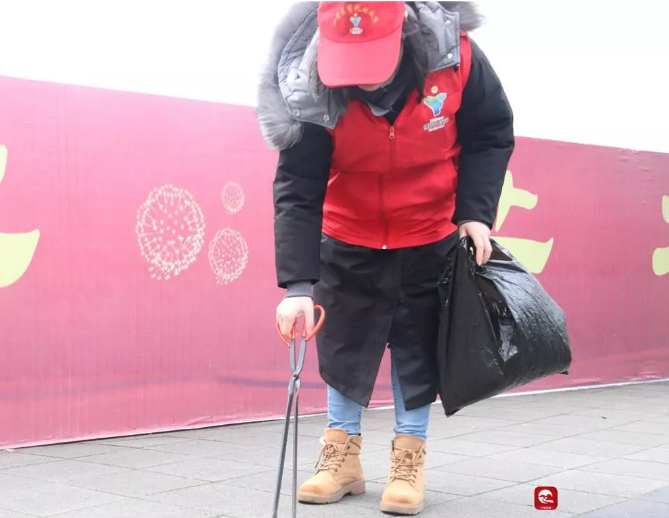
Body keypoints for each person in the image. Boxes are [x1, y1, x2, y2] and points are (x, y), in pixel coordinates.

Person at [257, 1, 514, 515]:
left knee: (418, 344)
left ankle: (408, 457)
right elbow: (298, 188)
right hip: (349, 230)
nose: (366, 81)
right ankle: (341, 457)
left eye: (374, 62)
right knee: (344, 342)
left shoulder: (455, 58)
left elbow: (490, 132)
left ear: (405, 37)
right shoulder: (309, 87)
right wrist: (297, 288)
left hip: (429, 227)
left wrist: (475, 213)